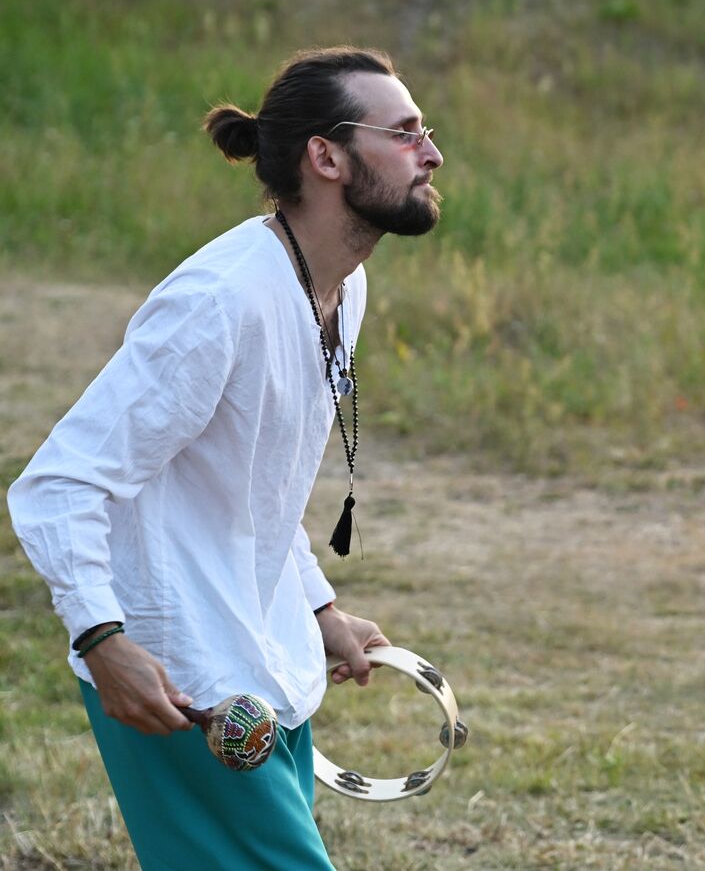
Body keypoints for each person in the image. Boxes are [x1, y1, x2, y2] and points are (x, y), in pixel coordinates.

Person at [8, 46, 443, 868]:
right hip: (180, 677)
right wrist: (106, 641)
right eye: (405, 133)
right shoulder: (219, 303)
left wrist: (316, 608)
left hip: (260, 648)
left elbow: (253, 488)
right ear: (326, 156)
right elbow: (59, 484)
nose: (432, 154)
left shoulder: (341, 284)